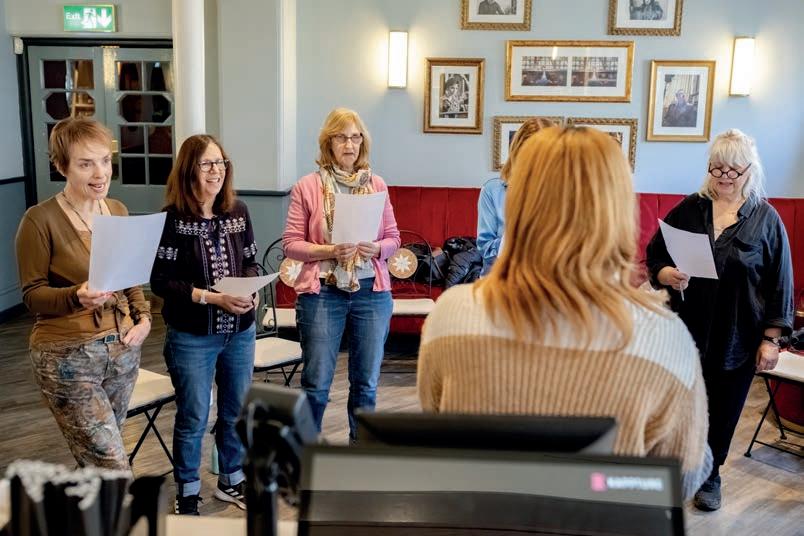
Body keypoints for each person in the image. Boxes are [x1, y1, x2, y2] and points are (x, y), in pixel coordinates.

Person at [418, 126, 712, 500]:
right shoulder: (665, 338)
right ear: (618, 213)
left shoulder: (451, 315)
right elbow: (683, 478)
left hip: (481, 512)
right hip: (605, 516)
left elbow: (437, 424)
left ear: (518, 204)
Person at [646, 129, 793, 511]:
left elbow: (780, 284)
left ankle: (710, 475)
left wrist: (771, 340)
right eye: (717, 168)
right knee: (682, 406)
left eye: (733, 170)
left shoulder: (766, 219)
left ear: (749, 171)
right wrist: (667, 274)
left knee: (723, 411)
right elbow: (655, 255)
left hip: (738, 335)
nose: (724, 177)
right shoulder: (690, 208)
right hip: (687, 331)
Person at [15, 117, 152, 469]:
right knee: (112, 465)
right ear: (62, 166)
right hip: (67, 355)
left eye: (105, 160)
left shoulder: (117, 209)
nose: (100, 173)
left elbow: (130, 276)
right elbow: (32, 295)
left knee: (99, 462)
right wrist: (76, 295)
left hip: (122, 351)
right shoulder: (39, 220)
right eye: (85, 164)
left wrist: (144, 318)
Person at [150, 134, 259, 515]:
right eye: (207, 164)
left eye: (221, 163)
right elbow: (161, 282)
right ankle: (188, 492)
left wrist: (252, 289)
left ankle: (231, 479)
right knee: (194, 416)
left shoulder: (238, 211)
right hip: (192, 336)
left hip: (240, 332)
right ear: (189, 170)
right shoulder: (171, 220)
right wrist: (213, 297)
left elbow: (251, 261)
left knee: (235, 411)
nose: (216, 171)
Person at [283, 108, 400, 441]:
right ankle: (307, 456)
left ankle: (359, 454)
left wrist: (376, 248)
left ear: (363, 142)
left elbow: (394, 239)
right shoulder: (307, 186)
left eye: (355, 137)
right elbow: (291, 244)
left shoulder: (376, 184)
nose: (349, 144)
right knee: (316, 384)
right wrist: (330, 251)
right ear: (328, 142)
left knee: (366, 384)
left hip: (371, 292)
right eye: (341, 137)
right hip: (323, 292)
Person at [477, 117, 556, 275]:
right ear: (517, 153)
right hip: (502, 279)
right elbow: (486, 250)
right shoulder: (493, 191)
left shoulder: (566, 193)